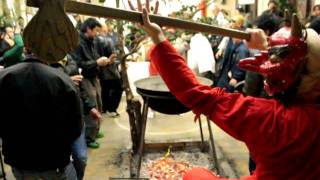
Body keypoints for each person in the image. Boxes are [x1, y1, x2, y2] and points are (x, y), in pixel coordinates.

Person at [129, 0, 320, 179]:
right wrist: (264, 45)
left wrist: (157, 37)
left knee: (194, 175)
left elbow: (196, 93)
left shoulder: (269, 119)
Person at [0, 51, 82, 179]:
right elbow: (76, 127)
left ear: (25, 50)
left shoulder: (3, 76)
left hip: (19, 161)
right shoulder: (62, 79)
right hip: (55, 160)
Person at [95, 24, 122, 117]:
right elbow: (113, 55)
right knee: (118, 88)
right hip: (110, 70)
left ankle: (105, 108)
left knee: (105, 90)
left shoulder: (94, 40)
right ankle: (112, 109)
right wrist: (110, 60)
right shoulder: (107, 40)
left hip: (99, 71)